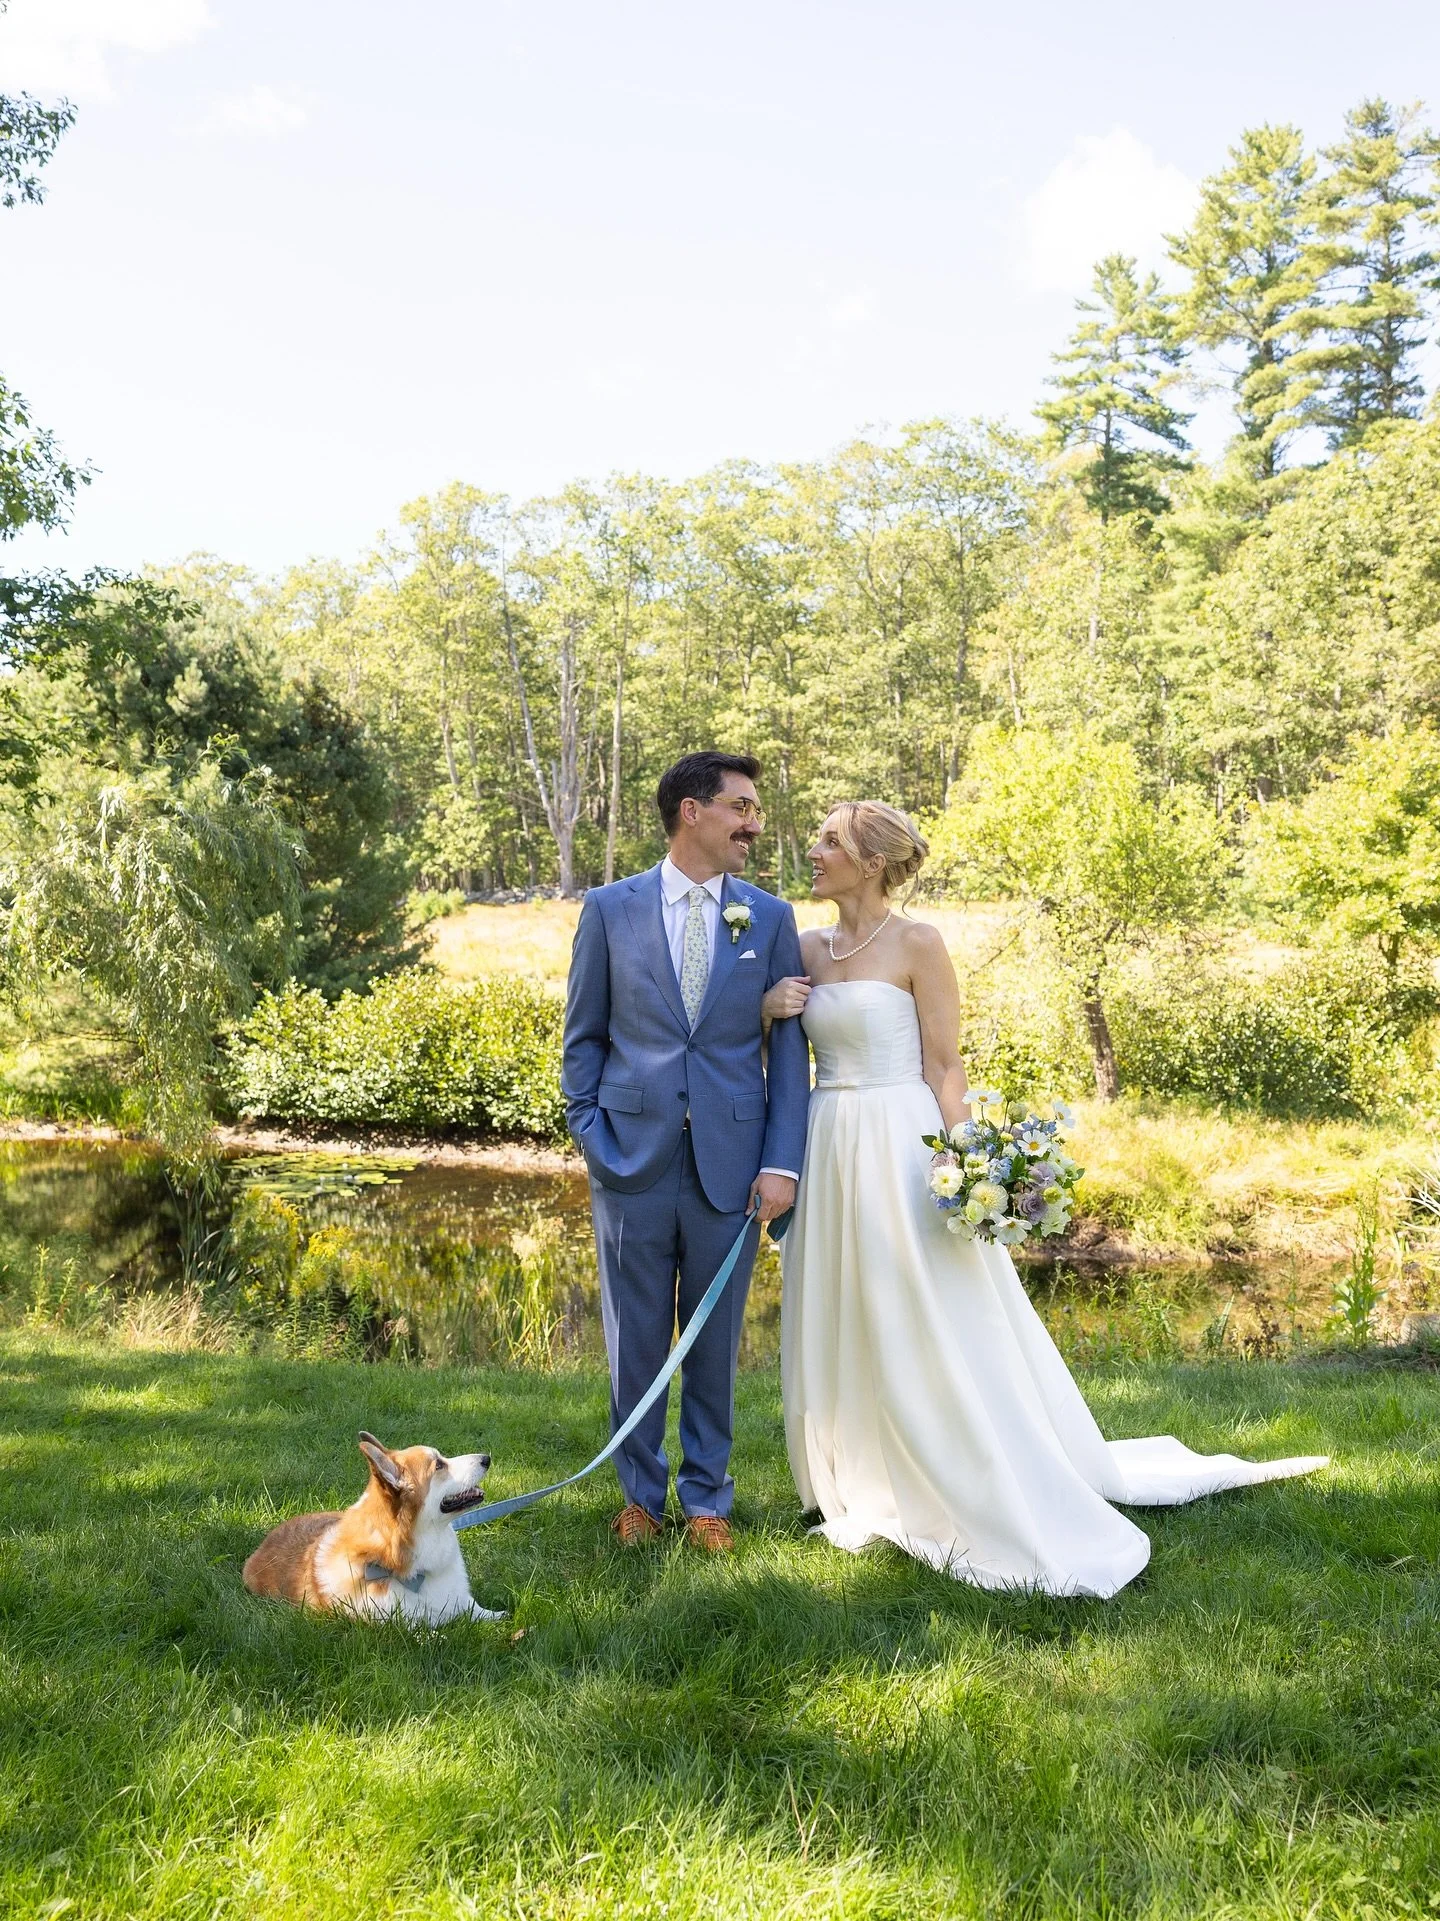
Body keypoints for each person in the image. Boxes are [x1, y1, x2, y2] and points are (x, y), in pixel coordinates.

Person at [762, 799, 1327, 1598]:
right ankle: (858, 1469)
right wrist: (765, 1010)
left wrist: (970, 1169)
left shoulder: (919, 942)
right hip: (830, 1140)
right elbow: (772, 1047)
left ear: (875, 860)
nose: (813, 849)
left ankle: (963, 1462)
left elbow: (945, 1066)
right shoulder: (802, 945)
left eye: (830, 839)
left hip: (899, 1141)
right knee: (844, 1303)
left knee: (923, 1307)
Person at [562, 751, 810, 1550]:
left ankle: (706, 1500)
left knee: (713, 1342)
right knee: (634, 1337)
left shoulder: (769, 918)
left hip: (732, 1169)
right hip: (628, 1159)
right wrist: (592, 1135)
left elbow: (787, 1057)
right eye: (742, 807)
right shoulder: (608, 908)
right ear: (693, 812)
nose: (756, 824)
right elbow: (584, 1037)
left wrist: (781, 1164)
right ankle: (639, 1494)